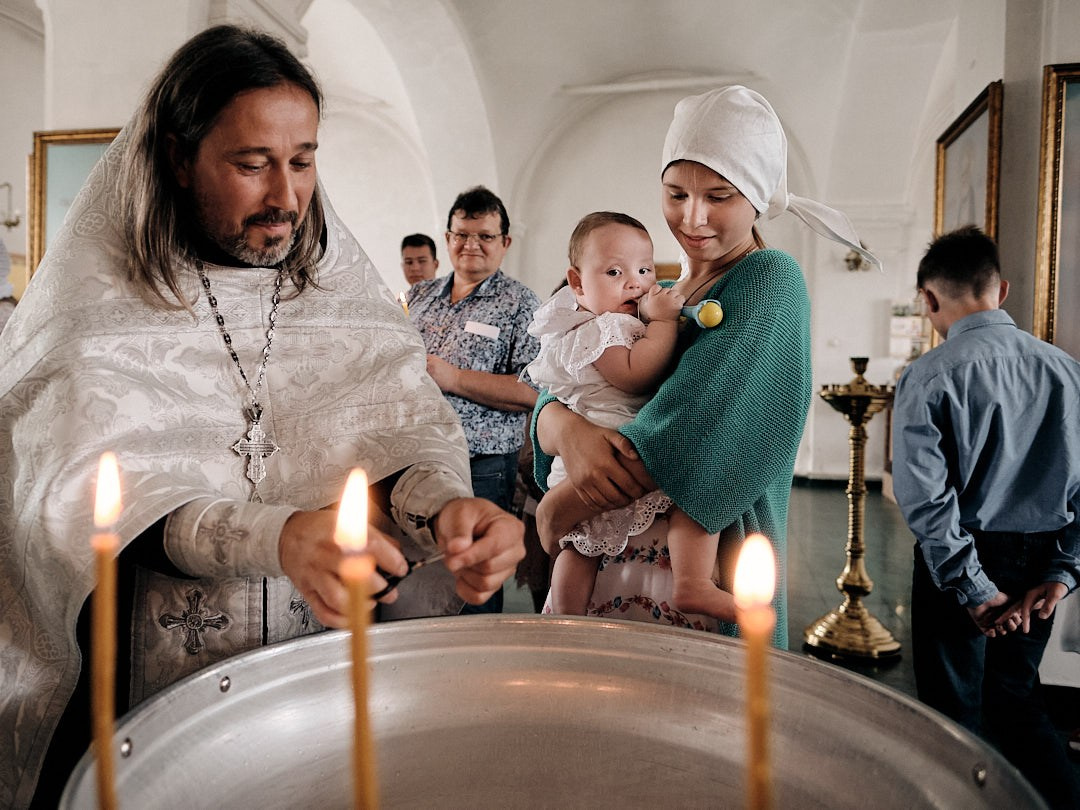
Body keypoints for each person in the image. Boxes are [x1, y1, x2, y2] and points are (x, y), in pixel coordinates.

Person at [0, 26, 524, 808]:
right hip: (134, 699)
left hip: (311, 691)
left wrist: (451, 511)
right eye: (252, 165)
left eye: (303, 161)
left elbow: (400, 427)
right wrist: (277, 537)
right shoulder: (93, 314)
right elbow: (75, 495)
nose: (286, 196)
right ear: (178, 158)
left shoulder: (339, 302)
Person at [532, 86, 877, 642]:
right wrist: (564, 427)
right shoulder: (661, 292)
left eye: (719, 195)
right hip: (614, 564)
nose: (692, 218)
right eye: (675, 194)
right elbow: (574, 376)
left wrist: (560, 505)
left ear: (757, 197)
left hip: (707, 572)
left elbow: (693, 427)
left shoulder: (768, 282)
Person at [891, 225, 1080, 809]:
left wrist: (973, 589)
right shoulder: (1068, 371)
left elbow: (925, 497)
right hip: (1041, 553)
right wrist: (1061, 572)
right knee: (1017, 700)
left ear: (928, 300)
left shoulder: (928, 375)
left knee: (952, 712)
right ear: (1001, 290)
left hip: (963, 556)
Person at [526, 211, 737, 620]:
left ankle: (684, 586)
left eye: (643, 269)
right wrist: (662, 324)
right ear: (576, 282)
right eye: (614, 271)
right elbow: (636, 376)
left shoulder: (620, 321)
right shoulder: (600, 329)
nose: (634, 282)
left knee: (586, 545)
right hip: (605, 454)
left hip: (611, 449)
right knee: (584, 545)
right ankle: (571, 616)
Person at [407, 185, 541, 612]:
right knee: (417, 576)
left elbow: (534, 391)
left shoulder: (522, 305)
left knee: (474, 577)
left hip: (480, 464)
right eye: (462, 234)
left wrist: (454, 378)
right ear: (447, 239)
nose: (472, 245)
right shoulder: (419, 297)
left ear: (504, 243)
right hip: (415, 457)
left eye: (485, 236)